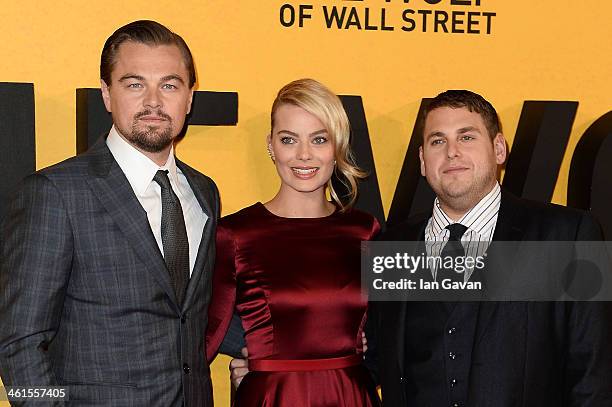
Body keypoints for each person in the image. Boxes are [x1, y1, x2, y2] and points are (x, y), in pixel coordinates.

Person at [0, 20, 219, 406]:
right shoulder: (56, 193)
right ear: (106, 93)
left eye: (169, 85)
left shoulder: (203, 193)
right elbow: (16, 343)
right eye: (135, 84)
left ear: (189, 97)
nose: (153, 102)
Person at [365, 90, 612, 406]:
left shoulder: (567, 235)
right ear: (423, 161)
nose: (452, 152)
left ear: (498, 148)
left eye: (466, 137)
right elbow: (370, 361)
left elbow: (594, 373)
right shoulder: (390, 246)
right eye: (437, 141)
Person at [205, 78, 381, 406]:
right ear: (271, 145)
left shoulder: (364, 231)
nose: (303, 155)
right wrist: (255, 356)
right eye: (289, 139)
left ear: (337, 146)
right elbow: (203, 325)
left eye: (319, 139)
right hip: (272, 396)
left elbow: (400, 325)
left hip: (351, 395)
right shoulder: (237, 233)